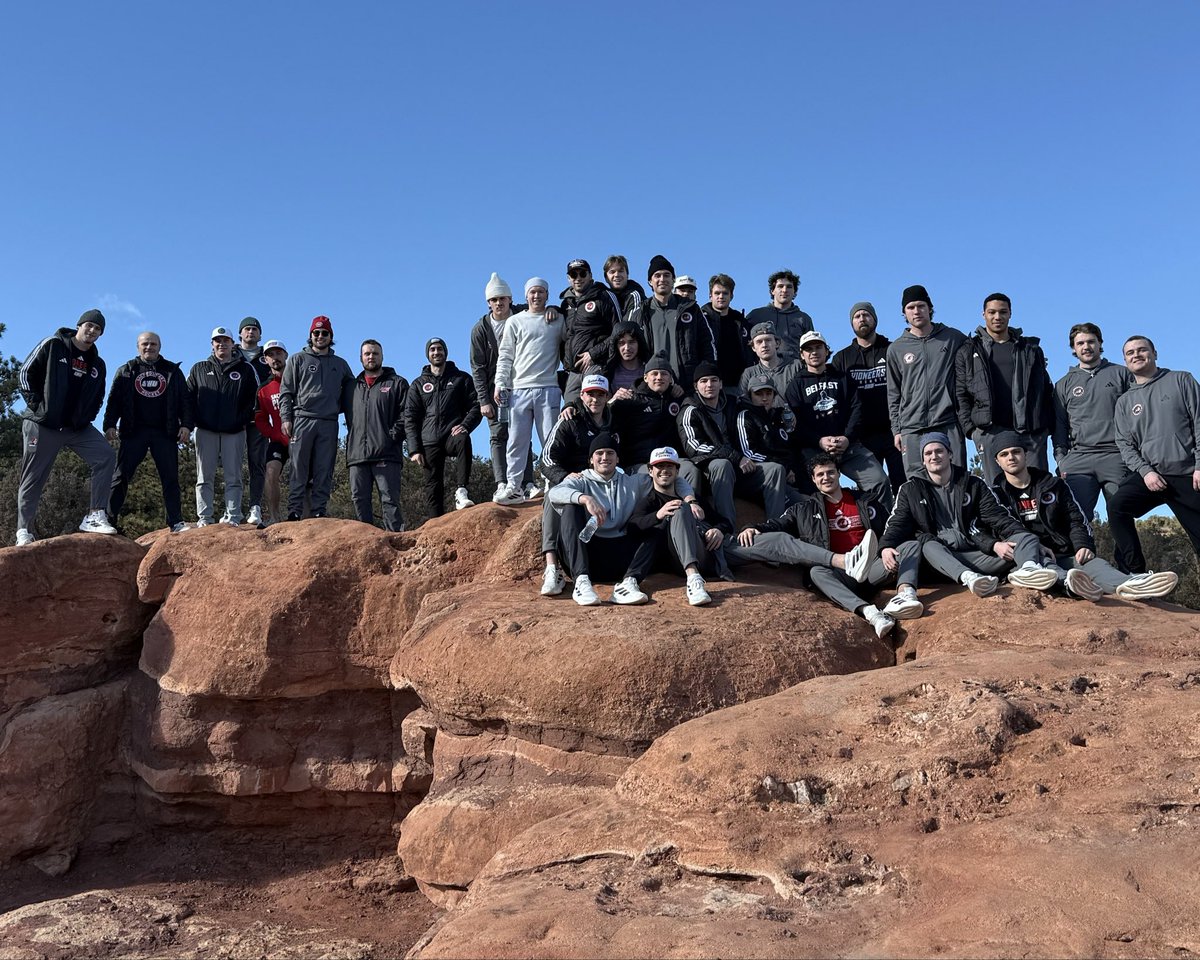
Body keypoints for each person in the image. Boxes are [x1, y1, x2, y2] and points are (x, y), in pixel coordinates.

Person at [726, 455, 919, 637]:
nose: (826, 477)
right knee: (816, 572)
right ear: (813, 479)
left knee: (910, 546)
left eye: (830, 472)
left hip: (873, 567)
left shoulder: (865, 500)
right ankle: (870, 613)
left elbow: (891, 527)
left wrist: (885, 548)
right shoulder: (803, 509)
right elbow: (777, 524)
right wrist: (751, 527)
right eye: (820, 474)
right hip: (841, 573)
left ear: (839, 474)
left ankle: (906, 595)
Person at [990, 431, 1178, 601]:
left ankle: (1130, 584)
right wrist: (1032, 545)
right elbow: (1000, 527)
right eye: (1004, 454)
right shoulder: (995, 494)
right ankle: (1072, 585)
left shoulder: (1053, 485)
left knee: (1096, 566)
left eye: (1016, 451)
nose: (1011, 458)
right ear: (998, 462)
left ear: (1025, 454)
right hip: (1030, 558)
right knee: (1051, 573)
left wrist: (1083, 544)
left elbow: (1076, 518)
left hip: (1064, 552)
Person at [880, 432, 1054, 598]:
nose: (934, 456)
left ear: (949, 454)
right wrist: (886, 546)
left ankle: (1038, 572)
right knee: (928, 546)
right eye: (928, 453)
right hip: (938, 559)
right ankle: (969, 578)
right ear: (923, 460)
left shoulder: (972, 484)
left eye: (939, 450)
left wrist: (1027, 541)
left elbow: (998, 517)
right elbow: (897, 523)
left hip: (975, 551)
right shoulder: (910, 489)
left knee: (1027, 538)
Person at [15, 309, 118, 544]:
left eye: (98, 329)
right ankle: (24, 530)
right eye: (89, 325)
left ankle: (94, 515)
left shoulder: (97, 363)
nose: (92, 331)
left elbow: (99, 396)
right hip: (43, 424)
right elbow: (24, 373)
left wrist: (86, 417)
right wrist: (37, 406)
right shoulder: (52, 345)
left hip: (76, 428)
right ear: (79, 325)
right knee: (33, 477)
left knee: (105, 456)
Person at [548, 433, 678, 606]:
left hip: (621, 557)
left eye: (610, 453)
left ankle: (629, 583)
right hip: (588, 553)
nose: (605, 457)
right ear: (591, 460)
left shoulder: (633, 482)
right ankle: (582, 582)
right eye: (599, 453)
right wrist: (585, 498)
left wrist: (690, 498)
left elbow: (668, 480)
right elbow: (554, 493)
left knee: (658, 520)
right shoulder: (580, 480)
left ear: (617, 459)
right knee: (571, 508)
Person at [1109, 335, 1200, 570]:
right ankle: (1137, 574)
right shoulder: (1125, 402)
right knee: (1117, 506)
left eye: (1142, 350)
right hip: (1152, 477)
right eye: (1130, 353)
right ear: (1126, 361)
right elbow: (1125, 444)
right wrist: (1146, 472)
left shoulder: (1181, 380)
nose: (1136, 355)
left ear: (1155, 354)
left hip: (1188, 474)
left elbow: (1199, 422)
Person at [785, 330, 893, 510]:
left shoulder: (842, 378)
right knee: (811, 494)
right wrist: (819, 441)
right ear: (802, 355)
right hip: (815, 450)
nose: (814, 352)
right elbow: (795, 424)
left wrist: (847, 438)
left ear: (826, 351)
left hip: (848, 446)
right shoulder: (795, 385)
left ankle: (883, 530)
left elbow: (857, 409)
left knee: (879, 481)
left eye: (818, 347)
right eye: (808, 349)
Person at [955, 293, 1054, 484]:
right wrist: (971, 430)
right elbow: (961, 393)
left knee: (1039, 488)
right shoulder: (968, 350)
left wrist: (1045, 426)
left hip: (1030, 431)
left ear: (1010, 314)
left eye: (1003, 312)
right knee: (998, 492)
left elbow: (1045, 388)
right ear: (983, 314)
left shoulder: (1030, 349)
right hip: (990, 431)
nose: (997, 317)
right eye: (992, 312)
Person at [678, 361, 787, 532]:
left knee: (775, 469)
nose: (709, 385)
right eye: (704, 381)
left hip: (739, 469)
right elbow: (694, 447)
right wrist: (735, 457)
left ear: (721, 383)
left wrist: (782, 414)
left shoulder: (732, 404)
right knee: (722, 464)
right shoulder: (690, 410)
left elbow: (759, 411)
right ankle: (727, 529)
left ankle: (775, 529)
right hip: (710, 472)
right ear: (696, 386)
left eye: (714, 380)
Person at [103, 330, 192, 534]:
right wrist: (109, 424)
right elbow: (114, 400)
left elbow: (185, 401)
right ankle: (108, 519)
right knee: (121, 476)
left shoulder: (172, 371)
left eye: (153, 344)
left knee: (170, 478)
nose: (149, 347)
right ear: (138, 347)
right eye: (145, 344)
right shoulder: (127, 370)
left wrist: (186, 425)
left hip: (165, 431)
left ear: (160, 347)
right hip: (134, 431)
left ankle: (176, 522)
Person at [539, 373, 619, 596]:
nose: (595, 399)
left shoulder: (614, 420)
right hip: (572, 479)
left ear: (607, 396)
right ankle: (552, 567)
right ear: (582, 395)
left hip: (603, 480)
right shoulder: (569, 420)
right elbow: (546, 459)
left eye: (600, 394)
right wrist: (564, 477)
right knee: (553, 496)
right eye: (590, 394)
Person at [493, 277, 566, 505]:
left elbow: (569, 345)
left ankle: (550, 483)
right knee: (516, 440)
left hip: (549, 388)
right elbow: (505, 355)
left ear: (547, 295)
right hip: (519, 390)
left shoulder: (557, 319)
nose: (537, 296)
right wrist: (500, 383)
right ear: (526, 296)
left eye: (541, 292)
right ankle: (514, 487)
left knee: (550, 440)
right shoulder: (514, 322)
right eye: (533, 292)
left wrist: (555, 310)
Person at [469, 273, 541, 500]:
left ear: (510, 299)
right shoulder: (480, 329)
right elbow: (477, 367)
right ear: (488, 303)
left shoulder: (523, 314)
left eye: (502, 298)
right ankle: (503, 483)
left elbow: (541, 307)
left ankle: (527, 482)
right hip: (495, 390)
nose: (499, 303)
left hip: (522, 384)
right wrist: (483, 400)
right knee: (498, 435)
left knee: (522, 434)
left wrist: (553, 311)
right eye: (494, 300)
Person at [1052, 322, 1134, 520]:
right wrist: (1061, 459)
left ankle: (1126, 553)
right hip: (1079, 458)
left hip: (1115, 455)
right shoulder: (1063, 384)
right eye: (1080, 343)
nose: (1086, 347)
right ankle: (1083, 552)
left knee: (1121, 514)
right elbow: (1060, 425)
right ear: (1073, 347)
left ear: (1100, 343)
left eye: (1091, 341)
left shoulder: (1121, 373)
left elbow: (1135, 414)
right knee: (1076, 517)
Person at [886, 285, 967, 478]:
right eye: (911, 307)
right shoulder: (896, 349)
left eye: (921, 306)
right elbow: (893, 392)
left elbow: (978, 358)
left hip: (947, 421)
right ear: (904, 313)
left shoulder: (953, 338)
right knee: (917, 484)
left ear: (930, 308)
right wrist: (897, 429)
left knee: (957, 479)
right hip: (912, 426)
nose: (917, 311)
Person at [278, 315, 355, 521]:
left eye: (324, 333)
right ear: (310, 336)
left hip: (328, 422)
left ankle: (319, 508)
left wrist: (345, 415)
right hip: (302, 419)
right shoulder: (297, 360)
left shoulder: (340, 364)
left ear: (331, 337)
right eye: (316, 333)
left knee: (324, 468)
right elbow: (286, 392)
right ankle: (294, 510)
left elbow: (352, 392)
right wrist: (286, 417)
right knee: (298, 467)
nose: (320, 336)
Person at [628, 446, 726, 606]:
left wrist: (719, 530)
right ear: (650, 471)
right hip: (680, 560)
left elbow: (723, 522)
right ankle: (693, 578)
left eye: (669, 466)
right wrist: (658, 515)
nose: (664, 471)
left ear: (677, 470)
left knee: (775, 541)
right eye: (659, 466)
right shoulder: (649, 501)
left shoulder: (693, 498)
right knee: (679, 508)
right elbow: (633, 527)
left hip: (714, 552)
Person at [187, 326, 259, 526]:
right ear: (212, 345)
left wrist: (240, 419)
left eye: (225, 341)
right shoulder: (199, 368)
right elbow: (188, 398)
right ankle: (204, 517)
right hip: (205, 430)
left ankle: (234, 516)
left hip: (234, 431)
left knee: (233, 477)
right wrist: (191, 422)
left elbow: (252, 400)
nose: (221, 344)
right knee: (204, 477)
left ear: (232, 344)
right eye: (217, 341)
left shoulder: (244, 369)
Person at [831, 301, 905, 492]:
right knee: (874, 489)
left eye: (866, 315)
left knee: (904, 484)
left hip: (895, 431)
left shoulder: (892, 349)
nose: (862, 319)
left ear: (874, 319)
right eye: (857, 316)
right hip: (862, 436)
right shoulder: (842, 359)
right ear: (851, 323)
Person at [405, 337, 481, 518]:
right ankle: (434, 523)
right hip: (429, 439)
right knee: (433, 486)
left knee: (463, 439)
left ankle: (461, 491)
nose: (436, 352)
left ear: (445, 352)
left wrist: (465, 425)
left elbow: (476, 405)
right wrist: (414, 449)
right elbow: (410, 417)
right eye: (432, 350)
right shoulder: (418, 384)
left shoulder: (461, 378)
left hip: (451, 435)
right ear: (427, 355)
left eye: (439, 349)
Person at [626, 254, 715, 389]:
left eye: (667, 275)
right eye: (657, 276)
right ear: (650, 281)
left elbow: (707, 343)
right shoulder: (640, 312)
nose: (662, 279)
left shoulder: (690, 308)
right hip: (653, 385)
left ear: (673, 280)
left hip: (686, 384)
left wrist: (702, 377)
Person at [347, 339, 409, 531]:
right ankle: (365, 545)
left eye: (375, 353)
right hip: (357, 455)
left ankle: (395, 540)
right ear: (361, 358)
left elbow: (407, 415)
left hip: (386, 454)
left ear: (382, 357)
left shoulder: (397, 383)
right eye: (367, 354)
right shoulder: (351, 387)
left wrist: (391, 437)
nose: (371, 357)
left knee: (389, 500)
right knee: (359, 499)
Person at [610, 354, 699, 487]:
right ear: (645, 377)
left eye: (664, 374)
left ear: (671, 379)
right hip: (640, 463)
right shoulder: (629, 400)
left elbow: (696, 409)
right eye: (654, 374)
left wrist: (682, 394)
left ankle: (692, 506)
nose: (659, 377)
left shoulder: (677, 399)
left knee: (690, 471)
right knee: (648, 482)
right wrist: (610, 403)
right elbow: (603, 419)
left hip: (670, 461)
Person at [560, 259, 621, 404]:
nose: (578, 278)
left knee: (594, 409)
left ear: (590, 275)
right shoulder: (566, 303)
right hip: (573, 371)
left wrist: (594, 354)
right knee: (570, 414)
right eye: (574, 275)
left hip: (596, 365)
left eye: (582, 273)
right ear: (569, 279)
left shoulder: (604, 296)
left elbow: (619, 332)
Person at [737, 374, 803, 496]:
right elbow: (749, 452)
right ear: (750, 395)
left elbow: (791, 448)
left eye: (768, 393)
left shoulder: (779, 416)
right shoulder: (745, 416)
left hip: (788, 472)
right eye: (759, 394)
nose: (764, 398)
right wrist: (784, 467)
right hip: (761, 473)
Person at [236, 317, 272, 527]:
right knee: (232, 465)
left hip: (260, 417)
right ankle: (233, 507)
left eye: (255, 329)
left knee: (257, 463)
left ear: (260, 334)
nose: (251, 332)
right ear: (241, 333)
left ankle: (255, 506)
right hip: (235, 417)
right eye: (247, 329)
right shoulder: (231, 353)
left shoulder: (267, 355)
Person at [253, 339, 289, 527]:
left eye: (278, 353)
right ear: (265, 360)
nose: (275, 358)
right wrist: (275, 435)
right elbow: (260, 419)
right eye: (270, 355)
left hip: (302, 439)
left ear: (286, 356)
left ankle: (306, 519)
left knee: (306, 478)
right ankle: (274, 517)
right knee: (271, 472)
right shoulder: (263, 389)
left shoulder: (298, 382)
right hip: (278, 440)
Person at [743, 269, 814, 365]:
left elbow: (810, 348)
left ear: (794, 292)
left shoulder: (803, 319)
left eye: (789, 287)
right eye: (780, 286)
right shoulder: (756, 315)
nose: (784, 290)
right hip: (763, 372)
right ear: (773, 290)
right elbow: (745, 344)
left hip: (794, 371)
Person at [702, 273, 749, 397]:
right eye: (717, 293)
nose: (721, 296)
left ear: (731, 296)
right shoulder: (701, 319)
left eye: (725, 293)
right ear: (710, 295)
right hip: (711, 383)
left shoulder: (740, 321)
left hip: (738, 383)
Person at [739, 321, 803, 406]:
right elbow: (743, 402)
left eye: (768, 340)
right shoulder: (749, 373)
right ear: (753, 347)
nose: (764, 345)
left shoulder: (795, 366)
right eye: (759, 342)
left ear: (777, 343)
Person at [602, 320, 651, 401]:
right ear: (615, 346)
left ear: (639, 343)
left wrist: (673, 388)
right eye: (621, 343)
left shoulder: (650, 370)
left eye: (631, 342)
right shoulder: (607, 373)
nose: (627, 348)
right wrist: (613, 400)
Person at [603, 254, 645, 318]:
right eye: (612, 272)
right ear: (606, 278)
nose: (617, 275)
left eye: (620, 271)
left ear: (627, 275)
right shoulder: (603, 299)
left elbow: (630, 325)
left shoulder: (635, 296)